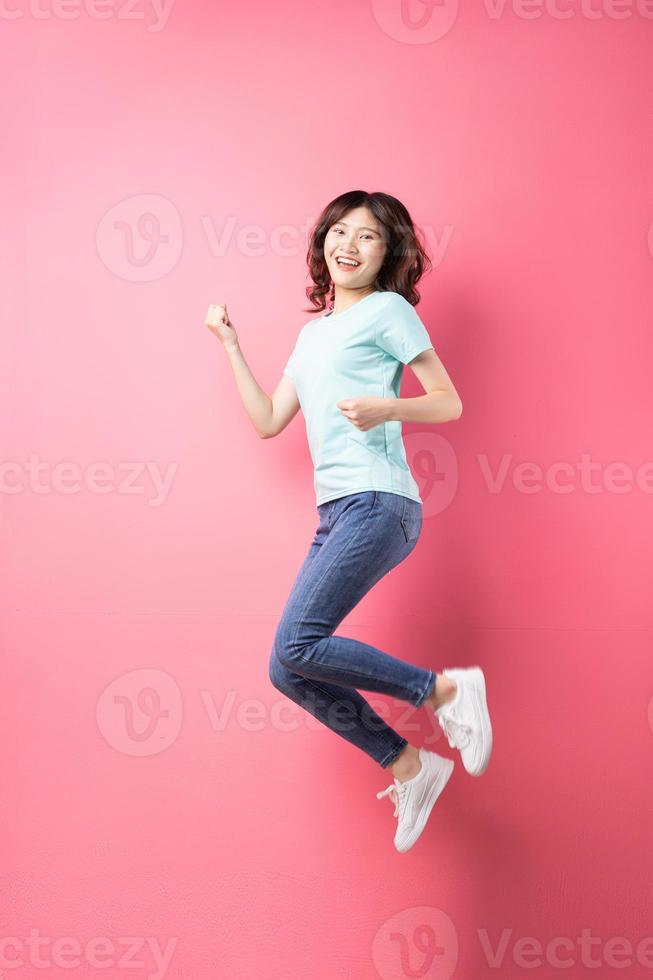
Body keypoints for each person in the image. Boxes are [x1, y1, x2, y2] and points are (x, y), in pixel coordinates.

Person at [204, 190, 492, 853]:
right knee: (287, 667)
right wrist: (230, 344)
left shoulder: (389, 311)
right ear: (322, 243)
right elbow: (270, 421)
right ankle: (408, 766)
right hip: (336, 511)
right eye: (339, 231)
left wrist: (385, 409)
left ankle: (445, 690)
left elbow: (446, 402)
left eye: (366, 237)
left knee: (298, 643)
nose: (348, 245)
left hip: (380, 501)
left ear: (387, 253)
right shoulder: (313, 334)